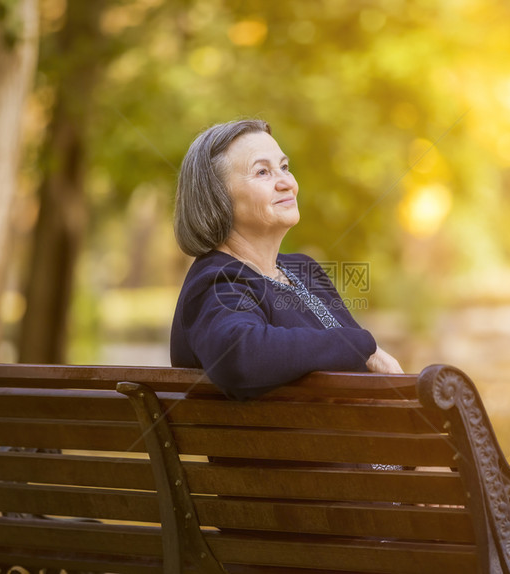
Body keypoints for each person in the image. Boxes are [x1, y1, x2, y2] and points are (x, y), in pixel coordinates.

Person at [170, 119, 402, 400]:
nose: (286, 183)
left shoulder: (303, 270)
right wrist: (359, 343)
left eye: (284, 167)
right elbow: (238, 356)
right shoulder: (218, 282)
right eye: (263, 172)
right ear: (217, 199)